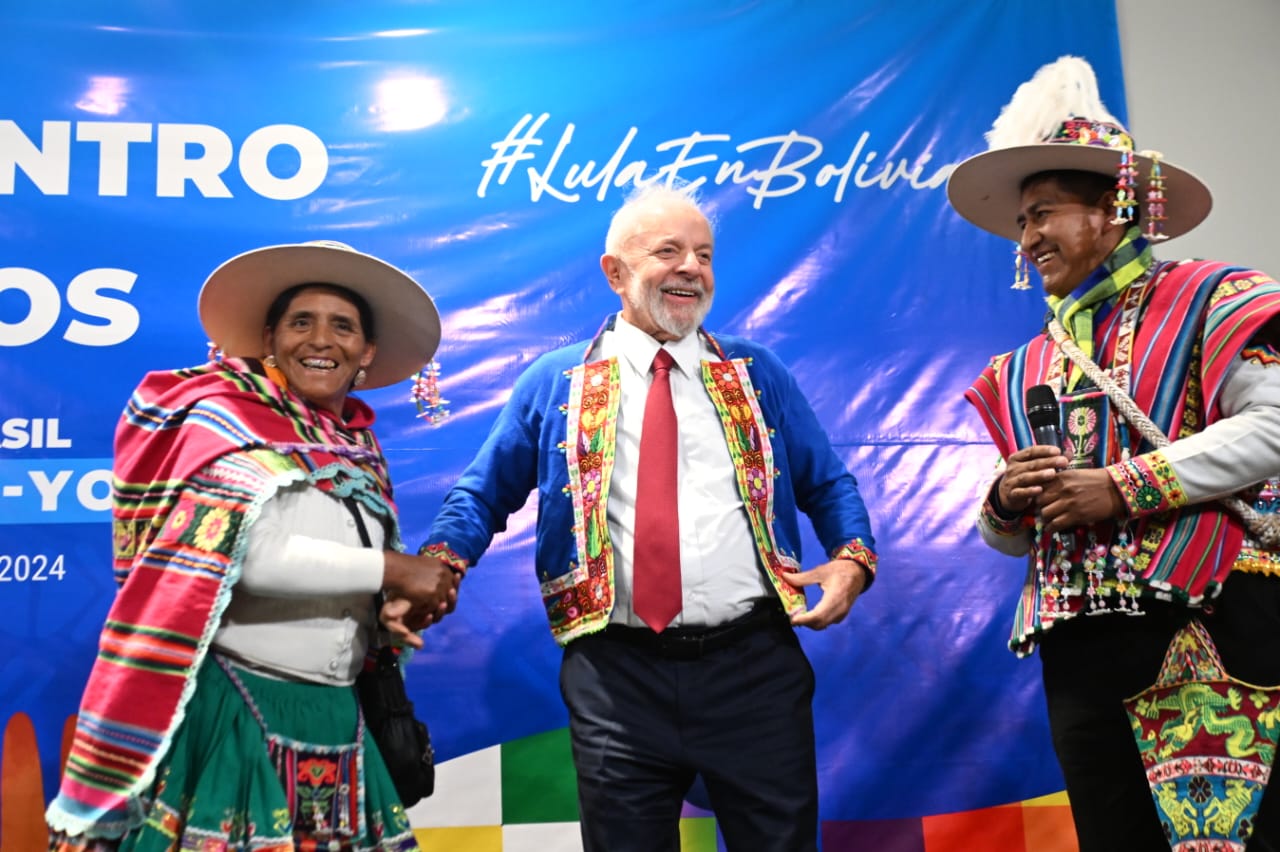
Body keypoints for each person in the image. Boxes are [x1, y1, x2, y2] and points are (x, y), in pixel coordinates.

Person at [416, 183, 877, 852]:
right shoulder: (556, 381)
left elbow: (827, 482)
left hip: (755, 669)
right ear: (615, 272)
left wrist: (851, 558)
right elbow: (482, 495)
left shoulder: (756, 373)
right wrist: (438, 565)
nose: (692, 268)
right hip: (615, 676)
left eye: (705, 255)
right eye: (669, 252)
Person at [947, 55, 1280, 851]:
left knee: (1230, 841)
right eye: (1021, 222)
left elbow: (1273, 427)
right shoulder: (1025, 364)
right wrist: (1006, 503)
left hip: (1209, 618)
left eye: (1044, 214)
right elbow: (1010, 538)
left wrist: (1124, 486)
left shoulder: (1213, 297)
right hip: (1079, 646)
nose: (1028, 237)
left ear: (1113, 209)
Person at [45, 241, 457, 851]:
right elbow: (246, 556)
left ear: (366, 351)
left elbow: (339, 564)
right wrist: (391, 568)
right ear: (270, 339)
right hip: (238, 709)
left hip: (338, 716)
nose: (321, 340)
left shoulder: (358, 449)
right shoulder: (228, 420)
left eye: (342, 326)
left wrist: (386, 611)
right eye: (301, 322)